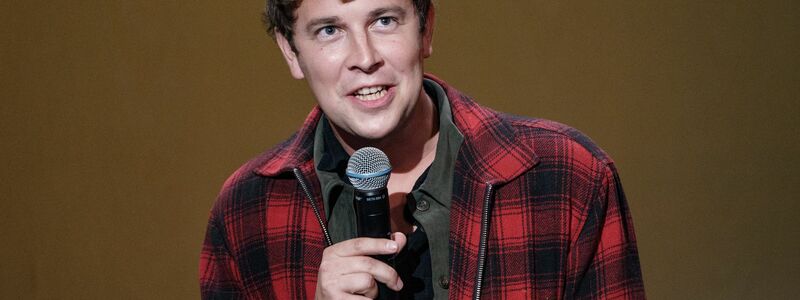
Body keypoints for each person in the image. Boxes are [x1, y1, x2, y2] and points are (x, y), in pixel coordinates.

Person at [200, 0, 645, 299]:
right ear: (292, 52)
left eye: (384, 20)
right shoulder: (248, 209)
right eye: (330, 30)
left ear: (426, 28)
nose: (364, 56)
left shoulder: (566, 175)